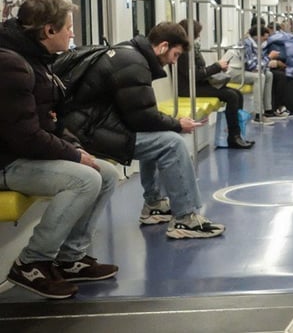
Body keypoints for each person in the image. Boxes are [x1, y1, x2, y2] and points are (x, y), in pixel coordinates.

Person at [0, 0, 119, 299]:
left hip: (21, 154)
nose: (73, 33)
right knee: (84, 179)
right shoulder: (11, 65)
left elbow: (46, 122)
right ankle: (31, 263)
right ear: (49, 30)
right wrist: (73, 155)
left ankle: (70, 258)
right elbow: (25, 136)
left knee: (106, 173)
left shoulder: (36, 60)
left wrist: (76, 148)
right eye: (68, 27)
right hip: (6, 161)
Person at [61, 21, 226, 240]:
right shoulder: (134, 64)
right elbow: (143, 118)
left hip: (90, 125)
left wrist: (170, 123)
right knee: (171, 143)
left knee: (158, 137)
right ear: (163, 46)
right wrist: (178, 124)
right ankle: (185, 218)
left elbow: (141, 115)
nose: (174, 62)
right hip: (88, 132)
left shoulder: (130, 54)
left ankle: (154, 205)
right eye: (175, 55)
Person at [176, 20, 253, 149]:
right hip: (189, 89)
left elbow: (200, 72)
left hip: (199, 85)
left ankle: (238, 133)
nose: (198, 36)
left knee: (237, 93)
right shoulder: (183, 53)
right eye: (197, 33)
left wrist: (218, 68)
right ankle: (233, 137)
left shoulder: (191, 50)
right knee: (231, 96)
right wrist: (217, 66)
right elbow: (194, 75)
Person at [229, 25, 289, 123]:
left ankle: (268, 110)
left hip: (244, 70)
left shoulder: (255, 44)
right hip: (235, 72)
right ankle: (258, 114)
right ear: (257, 36)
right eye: (264, 39)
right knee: (259, 77)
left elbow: (259, 64)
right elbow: (252, 66)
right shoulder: (246, 44)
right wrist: (269, 57)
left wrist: (263, 64)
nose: (264, 41)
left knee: (269, 74)